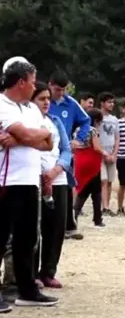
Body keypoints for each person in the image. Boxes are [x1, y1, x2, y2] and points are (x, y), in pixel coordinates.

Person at [0, 57, 59, 312]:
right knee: (1, 237)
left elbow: (49, 141)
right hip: (5, 180)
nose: (35, 87)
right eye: (33, 82)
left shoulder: (32, 109)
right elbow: (30, 135)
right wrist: (30, 136)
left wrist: (24, 138)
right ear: (21, 82)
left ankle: (27, 290)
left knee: (27, 238)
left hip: (29, 180)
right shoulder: (2, 105)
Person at [30, 81, 75, 289]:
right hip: (35, 180)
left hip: (58, 179)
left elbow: (66, 150)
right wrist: (43, 175)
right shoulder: (27, 123)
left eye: (48, 98)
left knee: (56, 227)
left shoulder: (55, 121)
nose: (47, 102)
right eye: (42, 98)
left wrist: (56, 170)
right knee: (34, 228)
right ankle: (30, 273)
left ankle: (49, 271)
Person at [48, 71, 90, 240]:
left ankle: (68, 225)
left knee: (65, 187)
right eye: (58, 89)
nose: (61, 93)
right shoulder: (41, 101)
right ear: (50, 85)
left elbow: (86, 120)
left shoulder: (71, 104)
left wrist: (78, 139)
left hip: (64, 153)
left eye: (64, 89)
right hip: (44, 150)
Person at [72, 108, 106, 227]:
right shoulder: (92, 131)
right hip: (92, 163)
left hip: (80, 161)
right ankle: (97, 218)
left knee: (81, 188)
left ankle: (74, 215)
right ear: (96, 120)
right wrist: (106, 153)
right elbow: (96, 147)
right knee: (95, 192)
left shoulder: (77, 130)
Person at [97, 92, 119, 216]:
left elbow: (117, 138)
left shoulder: (114, 120)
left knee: (109, 181)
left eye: (112, 102)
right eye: (109, 102)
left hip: (111, 155)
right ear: (102, 103)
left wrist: (114, 154)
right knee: (103, 180)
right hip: (100, 155)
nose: (112, 104)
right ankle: (104, 207)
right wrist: (104, 154)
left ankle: (107, 205)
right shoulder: (97, 118)